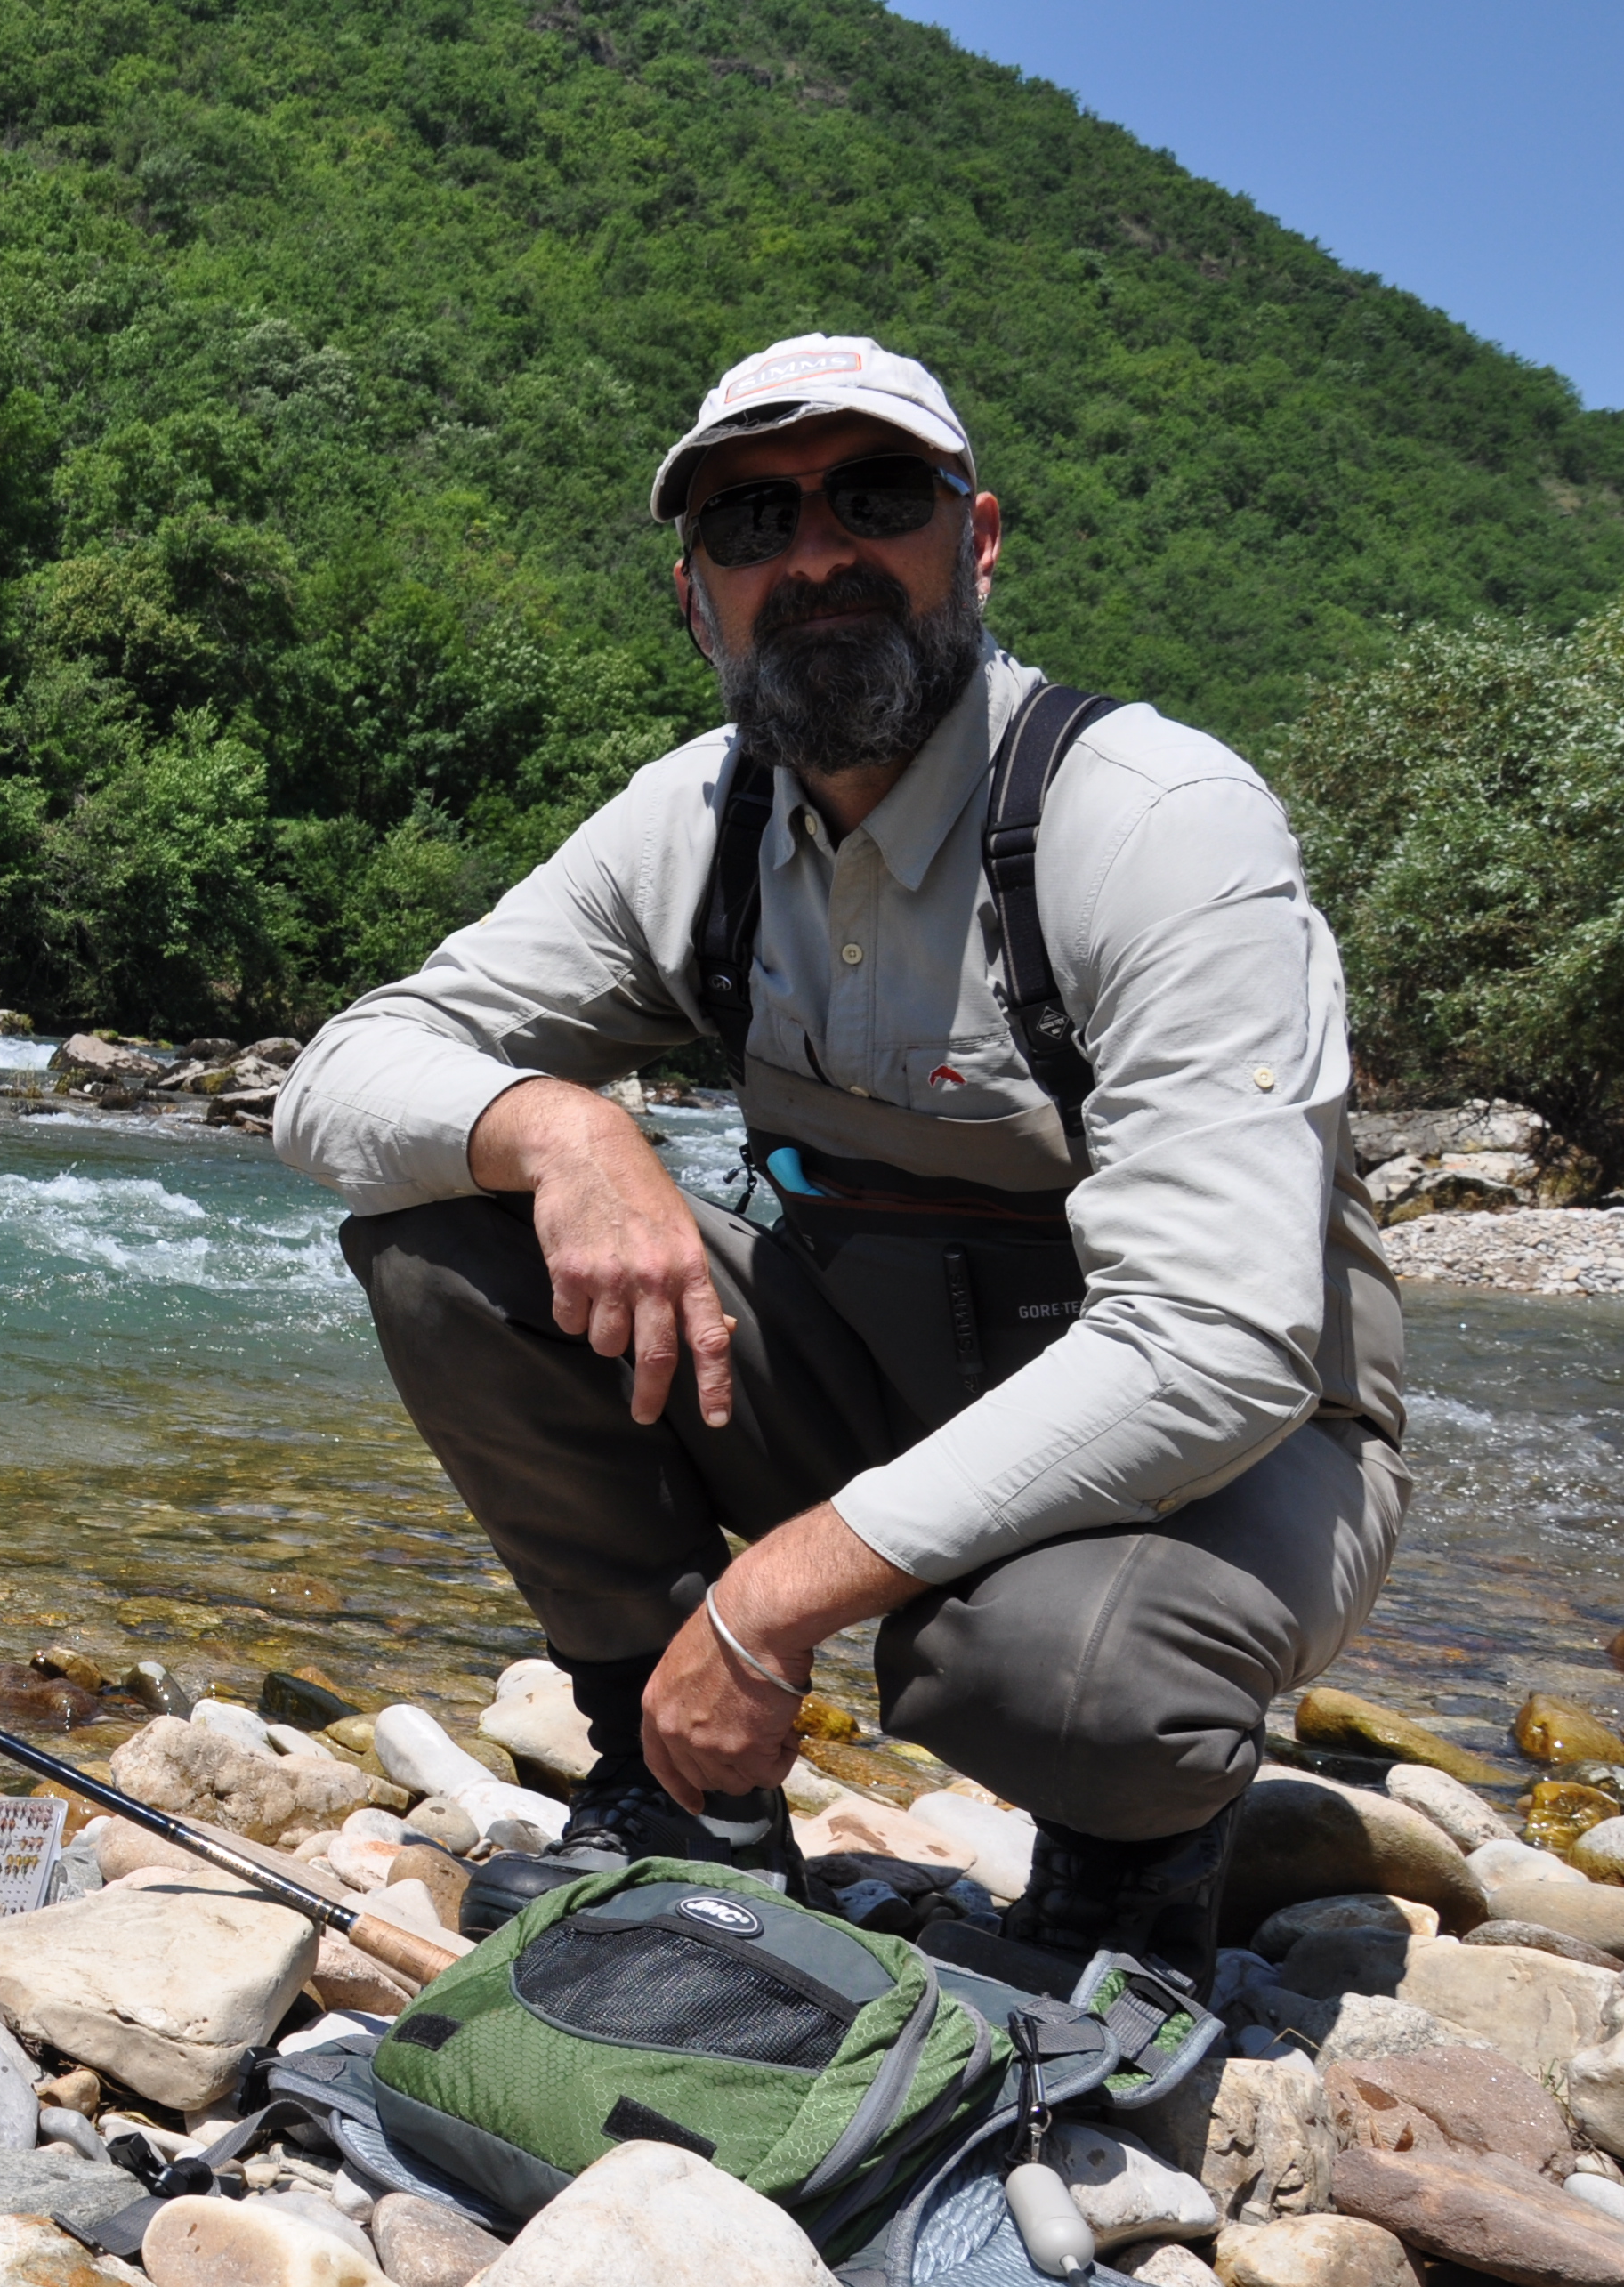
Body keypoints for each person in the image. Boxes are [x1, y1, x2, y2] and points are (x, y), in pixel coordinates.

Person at [271, 333, 1405, 1981]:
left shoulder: (1156, 820)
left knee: (1051, 1681)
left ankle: (1131, 1861)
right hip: (880, 1369)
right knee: (447, 1242)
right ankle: (687, 1795)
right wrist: (560, 1124)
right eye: (750, 524)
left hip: (1235, 1438)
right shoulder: (695, 822)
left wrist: (767, 1603)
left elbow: (1220, 1344)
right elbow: (339, 1077)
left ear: (981, 536)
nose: (813, 556)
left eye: (873, 497)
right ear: (695, 596)